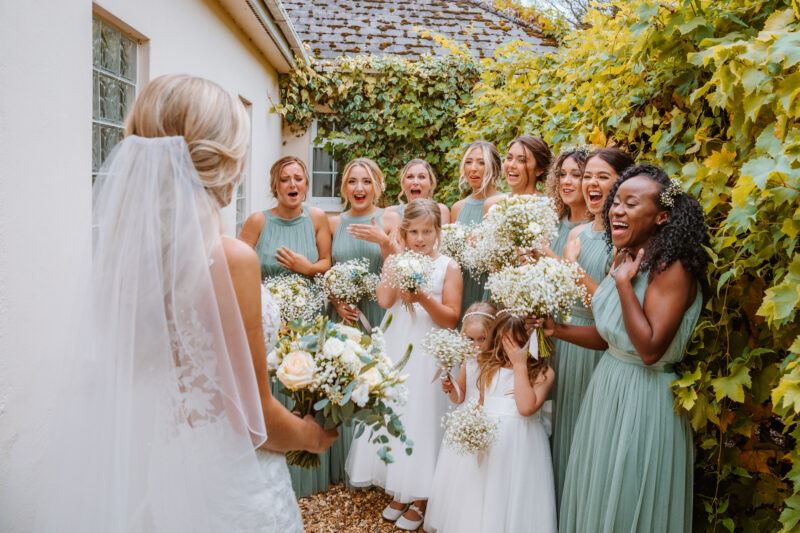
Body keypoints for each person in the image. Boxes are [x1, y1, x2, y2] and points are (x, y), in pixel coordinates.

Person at [34, 74, 336, 532]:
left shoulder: (123, 257)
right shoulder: (229, 258)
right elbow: (255, 423)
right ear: (220, 161)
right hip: (224, 485)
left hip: (156, 470)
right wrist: (312, 437)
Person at [548, 164, 709, 532]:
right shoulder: (626, 256)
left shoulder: (673, 269)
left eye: (630, 204)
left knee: (627, 501)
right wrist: (557, 329)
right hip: (607, 388)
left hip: (644, 398)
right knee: (599, 493)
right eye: (616, 202)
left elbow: (650, 348)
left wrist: (622, 285)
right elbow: (611, 336)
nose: (616, 210)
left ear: (662, 216)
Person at [346, 199, 463, 531]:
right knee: (398, 413)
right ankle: (402, 487)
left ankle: (422, 496)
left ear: (438, 232)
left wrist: (422, 296)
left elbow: (451, 317)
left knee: (424, 417)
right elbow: (384, 301)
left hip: (430, 349)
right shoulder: (398, 260)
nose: (421, 239)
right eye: (414, 232)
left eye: (428, 231)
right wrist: (395, 264)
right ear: (404, 233)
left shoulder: (448, 266)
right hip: (399, 344)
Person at [239, 155, 333, 497]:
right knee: (272, 390)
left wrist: (306, 268)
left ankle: (306, 475)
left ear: (306, 184)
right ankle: (273, 473)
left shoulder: (318, 218)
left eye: (298, 178)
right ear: (274, 186)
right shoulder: (256, 221)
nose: (292, 185)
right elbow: (238, 270)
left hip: (308, 323)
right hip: (268, 325)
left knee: (305, 389)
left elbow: (326, 263)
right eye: (285, 179)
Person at [549, 147, 634, 505]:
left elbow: (612, 309)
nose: (591, 184)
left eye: (602, 177)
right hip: (561, 341)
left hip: (593, 345)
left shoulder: (622, 240)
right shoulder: (577, 234)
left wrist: (572, 271)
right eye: (588, 176)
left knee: (586, 438)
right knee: (557, 429)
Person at [426, 310, 557, 533]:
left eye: (518, 343)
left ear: (532, 341)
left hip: (520, 446)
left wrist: (519, 365)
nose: (511, 350)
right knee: (482, 495)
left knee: (510, 495)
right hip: (488, 445)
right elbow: (479, 403)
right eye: (505, 342)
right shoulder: (488, 365)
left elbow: (525, 408)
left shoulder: (543, 373)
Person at [326, 157, 400, 485]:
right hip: (343, 315)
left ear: (377, 186)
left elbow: (399, 264)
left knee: (375, 384)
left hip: (377, 312)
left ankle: (376, 468)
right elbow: (326, 269)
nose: (359, 188)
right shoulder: (333, 222)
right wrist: (336, 300)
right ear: (344, 186)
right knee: (341, 381)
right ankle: (342, 460)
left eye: (366, 181)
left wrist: (384, 241)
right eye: (353, 181)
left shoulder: (388, 217)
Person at [424, 302, 496, 533]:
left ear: (493, 335)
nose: (476, 346)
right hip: (466, 418)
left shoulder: (497, 362)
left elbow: (490, 397)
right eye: (470, 340)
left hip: (487, 420)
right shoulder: (469, 359)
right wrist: (451, 386)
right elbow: (460, 396)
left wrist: (479, 414)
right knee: (461, 479)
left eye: (482, 339)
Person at [449, 142, 502, 317]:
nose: (473, 168)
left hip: (489, 286)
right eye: (469, 162)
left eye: (481, 162)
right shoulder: (457, 208)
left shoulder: (503, 203)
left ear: (494, 167)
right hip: (462, 286)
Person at [483, 134, 553, 212]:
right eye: (509, 158)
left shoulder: (548, 207)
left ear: (539, 169)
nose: (511, 165)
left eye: (522, 160)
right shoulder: (492, 205)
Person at [544, 147, 591, 256]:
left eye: (576, 175)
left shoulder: (595, 229)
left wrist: (544, 254)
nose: (566, 181)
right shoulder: (552, 222)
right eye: (562, 174)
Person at [388, 158, 450, 223]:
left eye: (421, 177)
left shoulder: (440, 211)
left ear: (431, 183)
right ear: (403, 183)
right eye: (410, 177)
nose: (415, 182)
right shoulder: (391, 213)